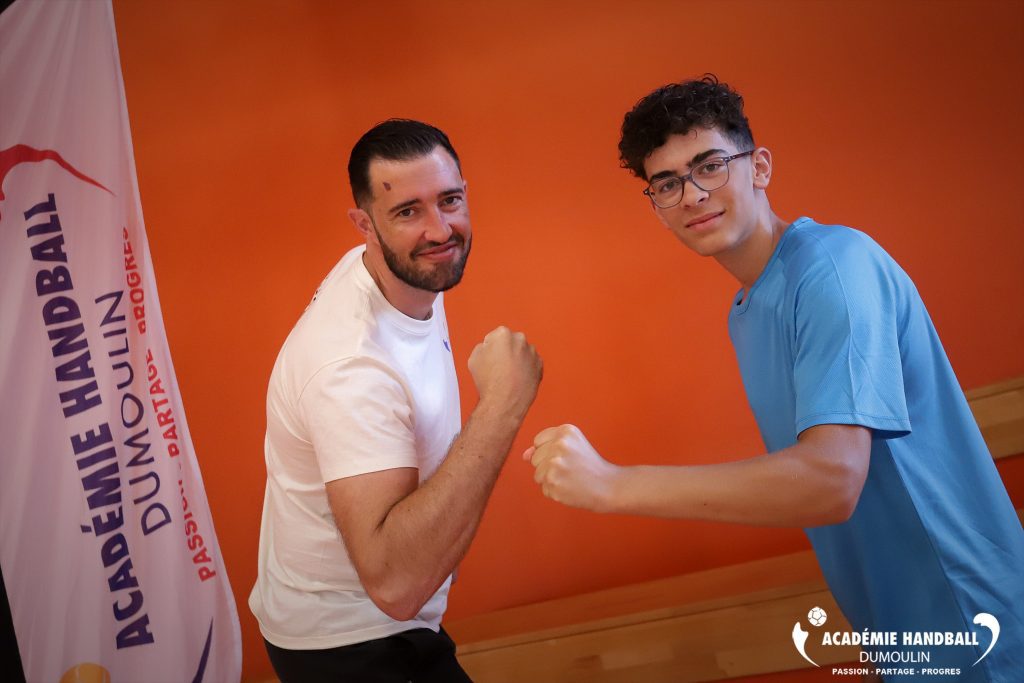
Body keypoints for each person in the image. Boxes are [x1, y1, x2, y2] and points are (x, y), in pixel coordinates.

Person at [525, 76, 1023, 681]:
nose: (693, 195)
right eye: (668, 183)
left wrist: (612, 484)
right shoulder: (748, 310)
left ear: (759, 167)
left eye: (710, 166)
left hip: (974, 621)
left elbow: (831, 481)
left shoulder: (835, 269)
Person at [250, 119, 542, 682]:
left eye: (449, 200)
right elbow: (396, 585)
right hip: (350, 644)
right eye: (408, 211)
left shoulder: (403, 272)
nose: (439, 230)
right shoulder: (350, 368)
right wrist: (502, 405)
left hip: (382, 624)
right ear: (365, 224)